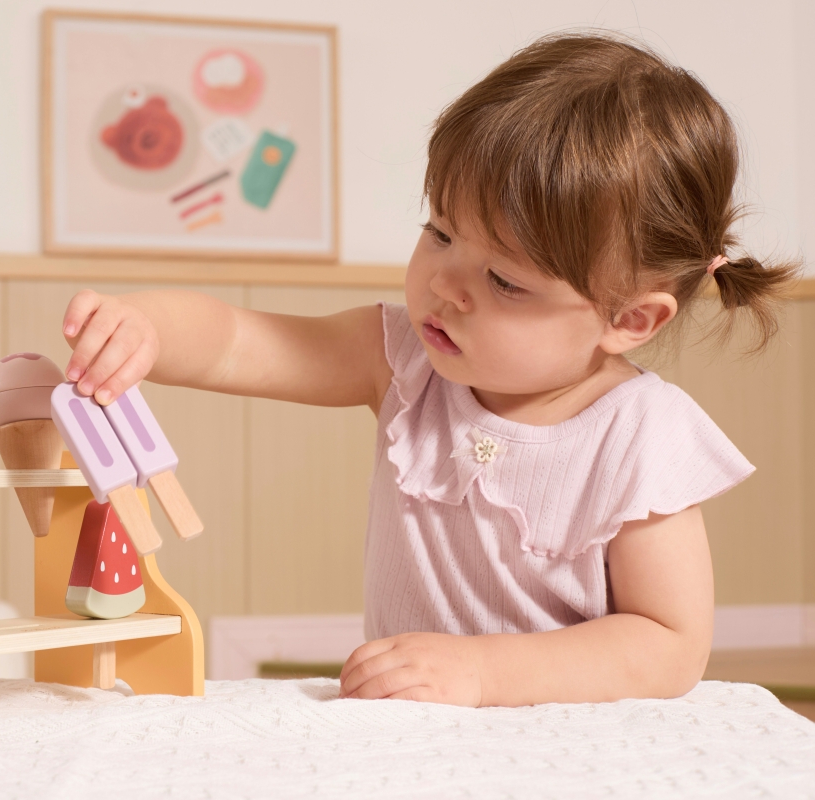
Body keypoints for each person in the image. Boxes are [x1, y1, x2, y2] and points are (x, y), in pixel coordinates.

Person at [56, 33, 798, 706]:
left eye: (504, 280)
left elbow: (668, 645)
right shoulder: (405, 361)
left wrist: (483, 672)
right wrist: (149, 326)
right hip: (415, 738)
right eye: (439, 232)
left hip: (572, 754)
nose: (445, 284)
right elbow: (235, 342)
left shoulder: (641, 434)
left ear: (629, 319)